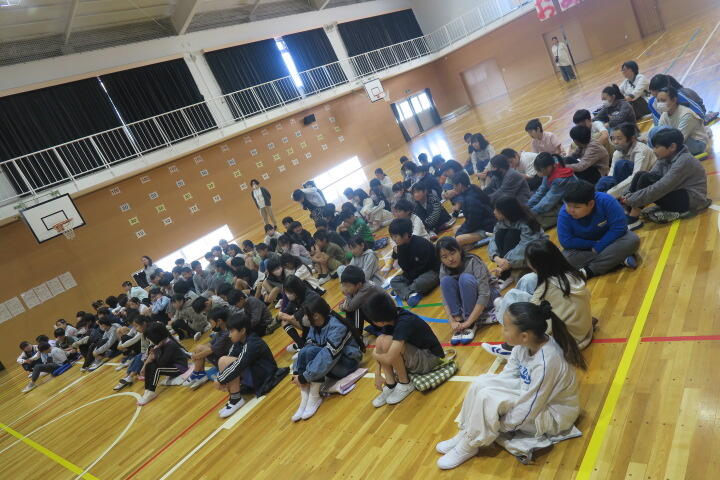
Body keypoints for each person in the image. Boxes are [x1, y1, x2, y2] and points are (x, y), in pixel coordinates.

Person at [436, 301, 585, 469]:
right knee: (480, 383)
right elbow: (506, 376)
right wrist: (486, 413)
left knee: (488, 397)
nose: (502, 331)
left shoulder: (546, 362)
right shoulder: (522, 346)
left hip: (553, 416)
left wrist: (500, 425)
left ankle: (470, 444)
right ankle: (466, 432)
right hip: (531, 396)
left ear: (524, 336)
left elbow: (530, 407)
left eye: (506, 328)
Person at [484, 238, 593, 353]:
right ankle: (503, 306)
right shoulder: (572, 273)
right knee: (529, 279)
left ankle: (512, 345)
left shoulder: (547, 288)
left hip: (567, 340)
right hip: (582, 329)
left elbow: (529, 315)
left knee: (512, 297)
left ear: (536, 264)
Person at [290, 296, 363, 421]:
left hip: (348, 364)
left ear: (316, 315)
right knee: (305, 350)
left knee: (312, 352)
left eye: (307, 315)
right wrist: (298, 373)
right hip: (332, 364)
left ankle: (314, 397)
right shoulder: (315, 325)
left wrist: (304, 376)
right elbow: (307, 348)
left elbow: (328, 356)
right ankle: (305, 399)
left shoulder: (337, 326)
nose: (305, 318)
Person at [367, 292, 445, 407]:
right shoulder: (391, 317)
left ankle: (405, 383)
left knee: (388, 343)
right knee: (380, 339)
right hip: (417, 355)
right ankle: (391, 384)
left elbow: (389, 359)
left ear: (380, 322)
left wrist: (374, 355)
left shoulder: (404, 322)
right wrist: (377, 373)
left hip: (430, 359)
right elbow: (382, 351)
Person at [623, 128, 710, 228]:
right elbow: (650, 177)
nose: (653, 150)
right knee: (641, 175)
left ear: (672, 147)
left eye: (656, 147)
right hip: (677, 191)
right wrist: (628, 195)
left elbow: (661, 187)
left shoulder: (684, 160)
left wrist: (632, 199)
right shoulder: (665, 157)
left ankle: (634, 219)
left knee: (647, 183)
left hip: (691, 200)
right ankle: (629, 211)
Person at [559, 180, 640, 278]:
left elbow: (619, 227)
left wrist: (599, 246)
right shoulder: (564, 213)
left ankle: (589, 271)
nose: (571, 210)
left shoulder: (606, 201)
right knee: (566, 260)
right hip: (586, 248)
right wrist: (594, 244)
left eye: (577, 207)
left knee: (632, 240)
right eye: (568, 205)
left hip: (612, 241)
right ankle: (619, 258)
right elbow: (566, 241)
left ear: (591, 204)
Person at [215, 315, 288, 418]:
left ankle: (236, 399)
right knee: (223, 361)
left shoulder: (253, 343)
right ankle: (234, 398)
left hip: (264, 376)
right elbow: (230, 359)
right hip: (253, 374)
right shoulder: (238, 343)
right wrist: (222, 378)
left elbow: (239, 365)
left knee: (226, 362)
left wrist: (220, 379)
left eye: (232, 331)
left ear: (242, 330)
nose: (229, 335)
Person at [437, 237, 499, 346]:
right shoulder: (443, 268)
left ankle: (471, 324)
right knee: (445, 281)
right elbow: (445, 298)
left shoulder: (473, 261)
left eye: (452, 253)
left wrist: (469, 322)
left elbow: (484, 294)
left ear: (459, 250)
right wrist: (453, 321)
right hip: (466, 300)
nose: (450, 259)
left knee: (465, 278)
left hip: (489, 296)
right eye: (444, 257)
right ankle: (460, 321)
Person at [488, 195, 546, 288]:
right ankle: (506, 271)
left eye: (497, 210)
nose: (494, 212)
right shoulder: (502, 221)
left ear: (506, 212)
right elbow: (493, 239)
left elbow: (525, 247)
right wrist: (496, 257)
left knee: (512, 234)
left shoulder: (526, 222)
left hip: (534, 254)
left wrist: (506, 262)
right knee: (499, 233)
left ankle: (505, 274)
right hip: (510, 260)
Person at [389, 218, 440, 307]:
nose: (393, 239)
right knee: (394, 281)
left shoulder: (421, 244)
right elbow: (405, 267)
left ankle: (404, 291)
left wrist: (410, 280)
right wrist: (400, 254)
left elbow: (425, 267)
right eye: (392, 236)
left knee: (420, 283)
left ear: (405, 235)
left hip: (431, 272)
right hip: (413, 275)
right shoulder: (400, 247)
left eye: (396, 236)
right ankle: (411, 294)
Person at [596, 122, 656, 197]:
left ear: (632, 139)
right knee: (604, 180)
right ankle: (597, 197)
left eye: (619, 139)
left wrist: (609, 194)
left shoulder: (641, 151)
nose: (615, 142)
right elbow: (611, 176)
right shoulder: (617, 153)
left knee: (622, 164)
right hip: (626, 183)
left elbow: (636, 177)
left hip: (648, 181)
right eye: (613, 139)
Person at [137, 322, 188, 406]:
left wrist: (155, 354)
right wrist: (146, 366)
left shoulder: (170, 344)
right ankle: (147, 390)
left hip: (180, 367)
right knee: (150, 365)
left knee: (157, 369)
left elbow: (161, 362)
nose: (151, 341)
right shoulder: (161, 344)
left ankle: (151, 392)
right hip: (171, 365)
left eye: (150, 338)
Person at [527, 153, 579, 228]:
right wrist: (528, 206)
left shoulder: (560, 180)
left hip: (571, 203)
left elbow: (548, 200)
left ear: (548, 168)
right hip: (559, 199)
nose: (537, 172)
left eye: (539, 170)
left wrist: (532, 211)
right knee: (535, 212)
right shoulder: (551, 169)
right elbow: (541, 190)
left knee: (536, 219)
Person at [655, 87, 711, 155]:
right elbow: (659, 133)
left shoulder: (687, 114)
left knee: (671, 146)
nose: (660, 104)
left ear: (674, 100)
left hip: (696, 143)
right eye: (658, 101)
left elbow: (680, 139)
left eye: (663, 100)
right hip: (679, 139)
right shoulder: (664, 114)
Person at [340, 265, 394, 334]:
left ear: (358, 285)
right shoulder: (362, 283)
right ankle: (353, 332)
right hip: (380, 319)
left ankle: (356, 335)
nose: (345, 288)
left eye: (348, 286)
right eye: (343, 285)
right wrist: (347, 298)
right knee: (354, 306)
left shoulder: (365, 289)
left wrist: (346, 297)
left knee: (356, 309)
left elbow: (351, 307)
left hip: (387, 323)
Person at [450, 172, 496, 248]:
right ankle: (470, 243)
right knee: (455, 229)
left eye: (454, 185)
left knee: (458, 240)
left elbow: (473, 222)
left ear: (460, 185)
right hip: (483, 222)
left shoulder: (470, 199)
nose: (453, 188)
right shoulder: (472, 188)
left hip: (487, 228)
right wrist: (460, 231)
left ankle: (482, 240)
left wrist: (459, 233)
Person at [277, 275, 321, 352]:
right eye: (286, 292)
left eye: (288, 292)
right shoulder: (295, 298)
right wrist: (279, 316)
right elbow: (285, 311)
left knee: (304, 317)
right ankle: (301, 344)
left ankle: (308, 341)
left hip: (319, 324)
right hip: (308, 325)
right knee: (284, 321)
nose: (287, 295)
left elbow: (301, 312)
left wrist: (289, 317)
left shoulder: (310, 295)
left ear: (295, 289)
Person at [113, 315, 152, 391]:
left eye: (136, 326)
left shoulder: (149, 330)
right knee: (138, 357)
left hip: (155, 351)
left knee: (140, 357)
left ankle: (130, 376)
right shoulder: (142, 331)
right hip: (147, 350)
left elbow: (134, 340)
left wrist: (122, 346)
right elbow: (144, 347)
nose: (135, 328)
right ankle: (127, 377)